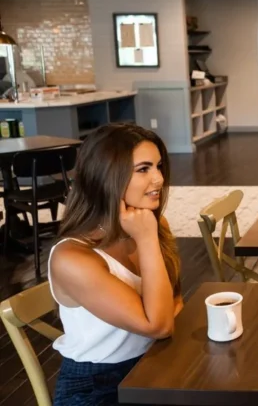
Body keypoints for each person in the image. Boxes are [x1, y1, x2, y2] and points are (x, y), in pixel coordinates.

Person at [48, 123, 183, 405]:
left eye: (159, 166)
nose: (158, 179)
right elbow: (159, 325)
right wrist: (147, 240)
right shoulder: (72, 258)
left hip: (155, 363)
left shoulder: (150, 225)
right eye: (144, 169)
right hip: (97, 386)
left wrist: (148, 236)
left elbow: (175, 301)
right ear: (107, 176)